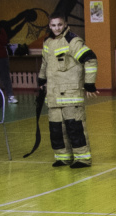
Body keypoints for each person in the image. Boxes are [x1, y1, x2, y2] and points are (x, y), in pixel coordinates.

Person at [38, 11, 99, 168]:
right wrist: (41, 79)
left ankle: (82, 159)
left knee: (75, 128)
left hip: (71, 94)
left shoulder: (72, 40)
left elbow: (90, 58)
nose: (56, 28)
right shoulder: (47, 42)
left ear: (65, 24)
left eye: (59, 25)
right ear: (49, 25)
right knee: (56, 130)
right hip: (53, 95)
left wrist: (89, 84)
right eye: (53, 25)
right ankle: (63, 157)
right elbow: (45, 63)